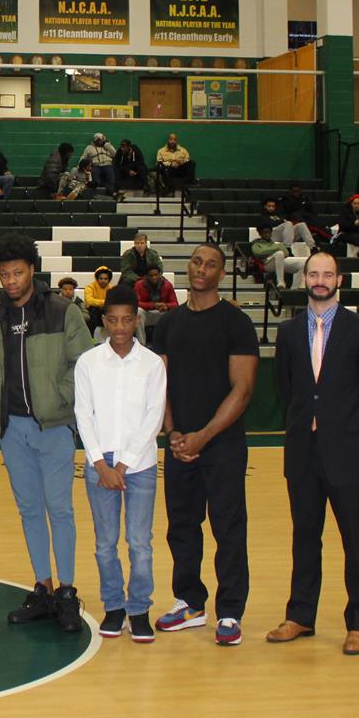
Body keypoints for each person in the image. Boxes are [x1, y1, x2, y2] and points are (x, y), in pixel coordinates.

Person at [0, 232, 96, 633]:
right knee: (29, 510)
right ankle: (43, 589)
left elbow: (84, 364)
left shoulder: (63, 312)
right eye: (4, 274)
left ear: (32, 270)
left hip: (54, 427)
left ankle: (67, 592)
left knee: (59, 509)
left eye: (18, 272)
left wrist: (60, 399)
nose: (11, 280)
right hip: (12, 430)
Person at [269, 250, 359, 656]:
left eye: (327, 274)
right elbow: (286, 389)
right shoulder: (288, 332)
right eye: (314, 274)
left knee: (356, 540)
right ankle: (301, 615)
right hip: (303, 451)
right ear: (304, 280)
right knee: (305, 537)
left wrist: (349, 429)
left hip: (348, 452)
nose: (320, 280)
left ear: (339, 280)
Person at [150, 243, 259, 646]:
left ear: (221, 274)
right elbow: (159, 383)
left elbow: (243, 389)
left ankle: (230, 611)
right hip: (180, 444)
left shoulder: (236, 323)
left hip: (223, 445)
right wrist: (172, 432)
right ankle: (190, 603)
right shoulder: (168, 324)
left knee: (228, 527)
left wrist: (203, 436)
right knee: (181, 525)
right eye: (197, 261)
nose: (202, 269)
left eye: (211, 264)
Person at [74, 285, 165, 644]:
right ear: (104, 320)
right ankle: (114, 606)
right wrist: (100, 463)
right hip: (99, 462)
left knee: (140, 542)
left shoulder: (152, 364)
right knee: (105, 543)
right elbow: (84, 414)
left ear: (136, 319)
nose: (120, 328)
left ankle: (139, 609)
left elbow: (153, 417)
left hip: (139, 465)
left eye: (127, 320)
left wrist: (122, 465)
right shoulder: (88, 362)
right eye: (113, 320)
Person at [136, 266, 179, 333]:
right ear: (146, 276)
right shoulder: (139, 285)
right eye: (151, 276)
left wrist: (166, 306)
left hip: (162, 313)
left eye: (156, 275)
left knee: (177, 312)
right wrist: (154, 305)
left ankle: (172, 339)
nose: (154, 278)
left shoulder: (167, 285)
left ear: (160, 275)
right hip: (147, 314)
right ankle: (141, 340)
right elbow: (136, 303)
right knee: (138, 312)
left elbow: (175, 304)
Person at [250, 223, 294, 290]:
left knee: (302, 263)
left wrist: (268, 251)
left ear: (271, 233)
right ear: (260, 234)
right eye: (264, 233)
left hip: (279, 262)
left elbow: (286, 253)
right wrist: (276, 249)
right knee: (279, 253)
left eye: (268, 233)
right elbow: (258, 253)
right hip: (266, 264)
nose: (266, 235)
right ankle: (280, 282)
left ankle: (295, 288)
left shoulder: (277, 244)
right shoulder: (256, 244)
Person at [81, 133, 118, 198]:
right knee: (96, 182)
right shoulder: (89, 147)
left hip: (107, 164)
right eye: (98, 140)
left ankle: (112, 194)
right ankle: (96, 195)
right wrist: (79, 166)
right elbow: (84, 156)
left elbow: (115, 155)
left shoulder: (108, 146)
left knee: (111, 181)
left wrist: (107, 146)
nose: (100, 141)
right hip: (96, 165)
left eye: (101, 140)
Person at [83, 266, 113, 333]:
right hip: (93, 310)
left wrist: (100, 303)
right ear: (97, 278)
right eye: (101, 278)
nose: (103, 281)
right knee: (94, 311)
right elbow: (89, 301)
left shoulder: (112, 288)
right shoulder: (90, 287)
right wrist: (104, 302)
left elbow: (114, 301)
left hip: (106, 310)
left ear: (109, 279)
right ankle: (90, 336)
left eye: (105, 279)